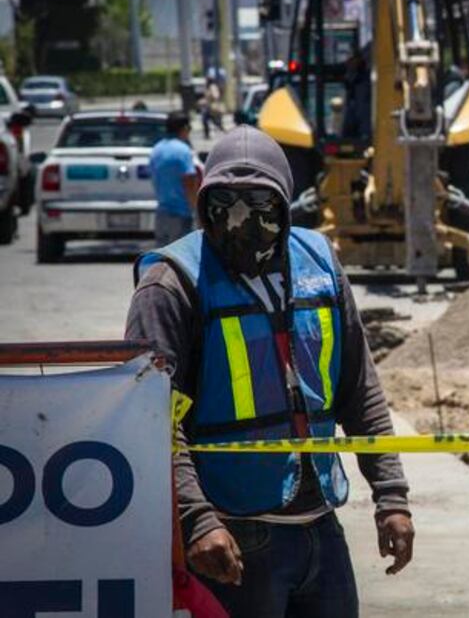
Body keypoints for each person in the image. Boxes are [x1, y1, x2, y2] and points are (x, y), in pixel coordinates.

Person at [127, 126, 414, 617]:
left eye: (260, 207)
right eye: (227, 206)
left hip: (320, 528)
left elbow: (359, 389)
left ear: (284, 205)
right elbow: (150, 420)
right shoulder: (170, 285)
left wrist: (391, 494)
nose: (243, 223)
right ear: (205, 205)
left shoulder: (319, 264)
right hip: (233, 536)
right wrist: (198, 521)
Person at [150, 111, 199, 246]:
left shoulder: (156, 149)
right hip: (181, 214)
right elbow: (188, 182)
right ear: (184, 129)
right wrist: (196, 209)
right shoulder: (183, 150)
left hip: (161, 214)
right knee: (181, 261)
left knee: (161, 259)